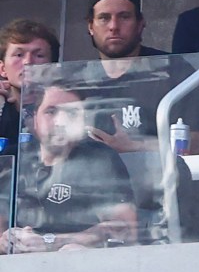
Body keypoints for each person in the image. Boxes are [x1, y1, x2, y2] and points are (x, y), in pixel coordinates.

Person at [2, 84, 135, 252]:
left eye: (71, 113)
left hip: (80, 266)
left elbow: (124, 228)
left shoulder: (99, 159)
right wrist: (6, 241)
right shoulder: (15, 159)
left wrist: (51, 242)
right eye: (51, 111)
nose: (61, 122)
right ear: (34, 120)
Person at [84, 0, 199, 154]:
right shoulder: (78, 81)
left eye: (124, 17)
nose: (114, 26)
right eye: (104, 18)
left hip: (158, 177)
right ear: (91, 26)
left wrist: (134, 147)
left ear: (140, 24)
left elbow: (197, 145)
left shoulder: (174, 70)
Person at [0, 19, 60, 157]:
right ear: (2, 69)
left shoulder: (66, 112)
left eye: (39, 55)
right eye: (19, 55)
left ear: (52, 69)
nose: (28, 62)